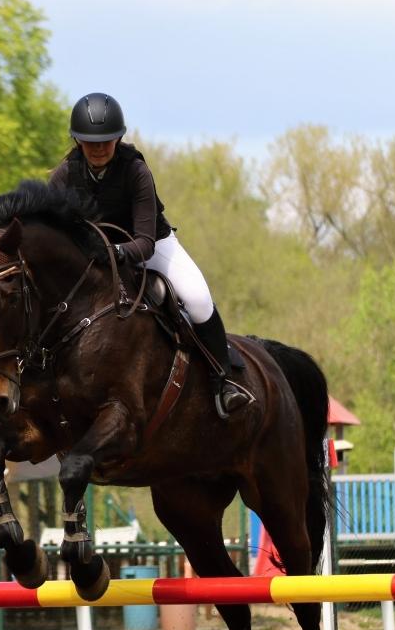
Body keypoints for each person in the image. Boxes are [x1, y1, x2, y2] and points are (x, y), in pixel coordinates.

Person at [48, 92, 250, 417]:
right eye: (90, 142)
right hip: (92, 257)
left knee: (198, 300)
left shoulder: (135, 170)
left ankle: (222, 382)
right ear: (77, 141)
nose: (98, 149)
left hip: (151, 246)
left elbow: (145, 242)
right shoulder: (63, 176)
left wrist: (113, 251)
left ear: (118, 139)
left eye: (106, 141)